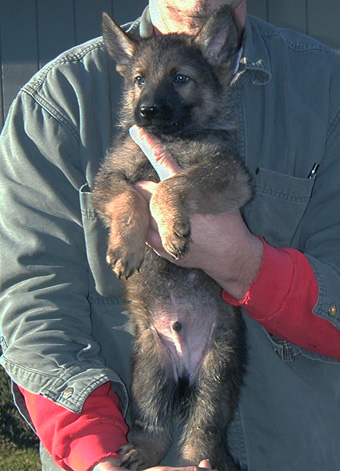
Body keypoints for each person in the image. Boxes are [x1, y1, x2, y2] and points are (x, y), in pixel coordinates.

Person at [1, 0, 340, 470]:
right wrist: (99, 458)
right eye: (141, 80)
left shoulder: (328, 88)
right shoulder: (56, 104)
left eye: (181, 79)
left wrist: (244, 264)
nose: (152, 94)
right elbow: (35, 305)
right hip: (127, 437)